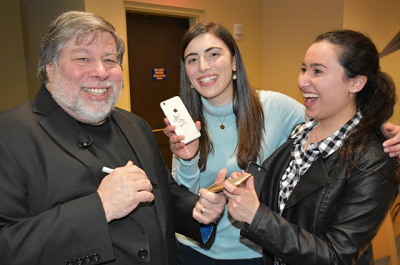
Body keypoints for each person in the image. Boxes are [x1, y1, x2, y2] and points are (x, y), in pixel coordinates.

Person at [0, 11, 226, 265]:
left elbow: (162, 192)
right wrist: (100, 207)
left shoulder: (134, 124)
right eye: (83, 58)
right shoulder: (9, 135)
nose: (101, 72)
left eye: (109, 59)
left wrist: (199, 210)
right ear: (50, 68)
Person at [164, 22, 400, 265]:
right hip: (209, 249)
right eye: (192, 59)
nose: (203, 66)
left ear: (235, 62)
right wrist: (192, 166)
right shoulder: (301, 135)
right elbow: (183, 197)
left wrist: (379, 129)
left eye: (317, 71)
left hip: (257, 251)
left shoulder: (277, 109)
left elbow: (345, 124)